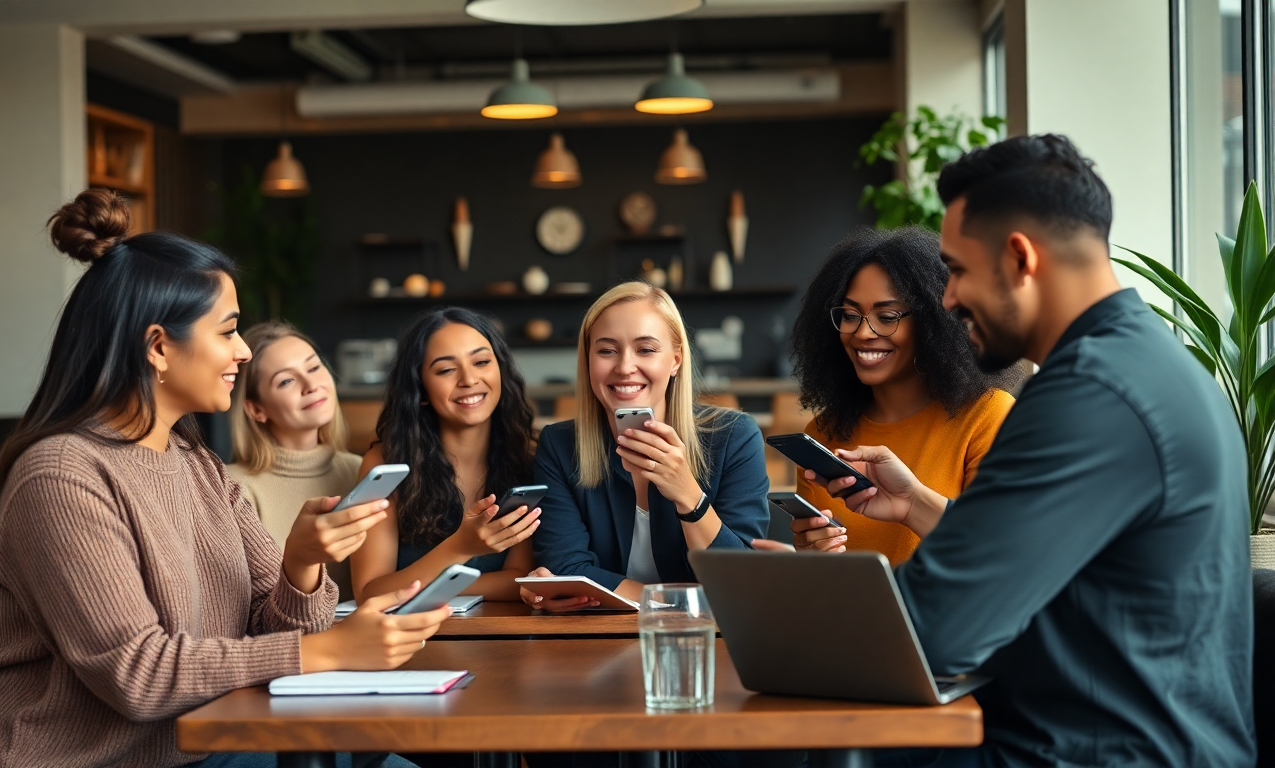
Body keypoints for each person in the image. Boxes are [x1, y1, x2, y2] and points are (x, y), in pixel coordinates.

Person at [775, 135, 1256, 767]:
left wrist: (781, 617)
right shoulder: (1145, 365)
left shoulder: (1090, 396)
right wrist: (918, 503)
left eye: (960, 272)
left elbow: (936, 633)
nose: (947, 300)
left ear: (1020, 257)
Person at [0, 189, 448, 768]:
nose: (243, 351)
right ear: (159, 348)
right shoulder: (62, 478)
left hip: (207, 741)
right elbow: (137, 675)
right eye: (228, 331)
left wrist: (301, 563)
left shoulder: (197, 466)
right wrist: (323, 651)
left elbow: (272, 625)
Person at [524, 281, 769, 610]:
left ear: (676, 360)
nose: (625, 366)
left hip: (711, 636)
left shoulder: (735, 436)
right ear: (588, 360)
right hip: (598, 641)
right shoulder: (558, 445)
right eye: (607, 350)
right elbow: (567, 569)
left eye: (646, 349)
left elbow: (742, 580)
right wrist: (671, 604)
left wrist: (688, 496)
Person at [787, 226, 1018, 564]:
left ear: (935, 322)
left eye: (888, 316)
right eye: (850, 315)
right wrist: (810, 555)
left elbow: (1005, 558)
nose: (864, 332)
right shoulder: (823, 435)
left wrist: (914, 507)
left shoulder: (988, 417)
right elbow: (825, 585)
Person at [350, 307, 540, 604]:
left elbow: (520, 580)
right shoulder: (385, 465)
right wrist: (460, 548)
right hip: (414, 640)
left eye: (481, 362)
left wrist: (438, 586)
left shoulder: (527, 458)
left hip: (503, 637)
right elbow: (370, 591)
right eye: (446, 370)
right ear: (420, 389)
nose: (468, 379)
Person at [228, 322, 363, 600]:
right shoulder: (233, 488)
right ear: (256, 409)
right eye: (286, 381)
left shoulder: (359, 470)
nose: (311, 385)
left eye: (314, 368)